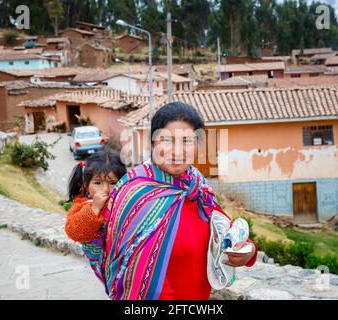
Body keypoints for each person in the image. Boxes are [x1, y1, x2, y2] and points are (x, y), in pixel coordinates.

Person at [77, 102, 258, 300]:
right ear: (153, 144)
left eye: (187, 141)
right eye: (167, 140)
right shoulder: (136, 194)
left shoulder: (197, 189)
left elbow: (224, 230)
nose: (177, 150)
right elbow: (137, 275)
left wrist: (247, 251)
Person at [64, 147, 127, 243]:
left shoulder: (124, 201)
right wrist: (94, 208)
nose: (105, 189)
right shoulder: (83, 204)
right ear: (86, 184)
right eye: (98, 183)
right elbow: (74, 232)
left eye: (113, 183)